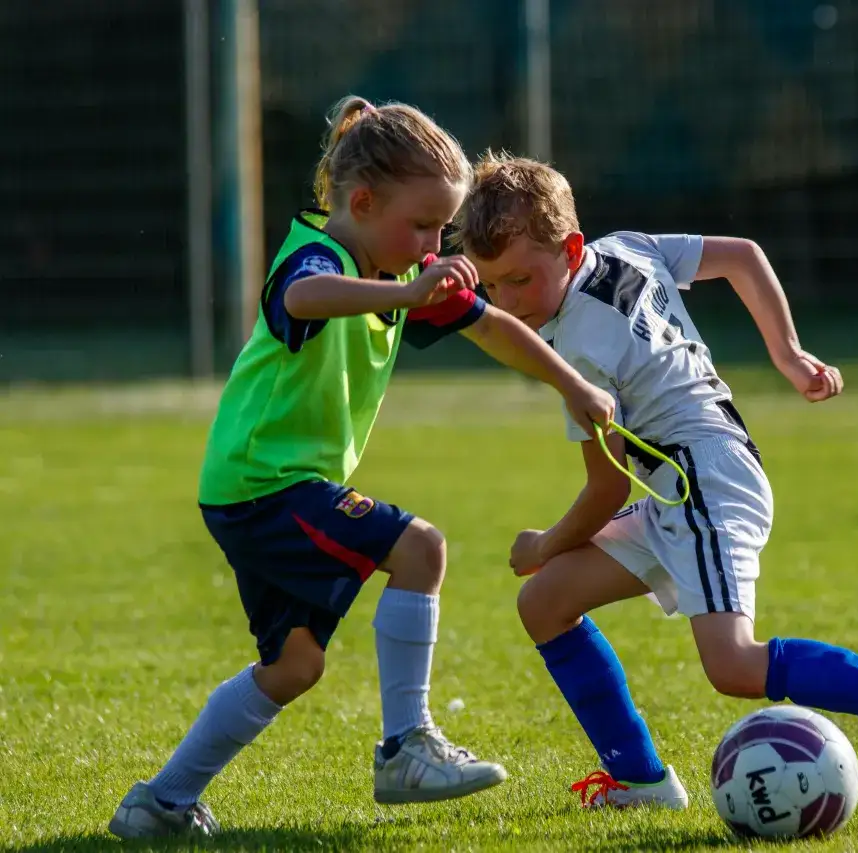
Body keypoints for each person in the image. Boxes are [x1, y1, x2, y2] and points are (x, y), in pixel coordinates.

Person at [108, 102, 614, 839]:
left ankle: (161, 801)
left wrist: (570, 382)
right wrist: (407, 292)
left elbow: (494, 326)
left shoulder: (392, 268)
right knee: (422, 547)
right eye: (421, 226)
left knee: (295, 667)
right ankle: (407, 747)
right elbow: (298, 297)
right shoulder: (323, 258)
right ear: (361, 203)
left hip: (254, 491)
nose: (434, 245)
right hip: (266, 484)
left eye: (442, 229)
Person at [452, 152, 858, 809]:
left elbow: (606, 490)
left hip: (700, 477)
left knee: (733, 664)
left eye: (519, 281)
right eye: (492, 288)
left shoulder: (583, 351)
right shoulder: (624, 248)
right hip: (691, 475)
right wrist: (787, 352)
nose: (506, 303)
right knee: (545, 603)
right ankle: (641, 779)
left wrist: (542, 544)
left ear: (568, 249)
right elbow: (741, 255)